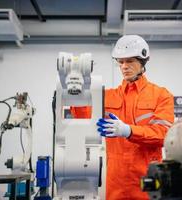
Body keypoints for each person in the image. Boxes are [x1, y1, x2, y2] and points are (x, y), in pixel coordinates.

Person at [72, 35, 174, 200]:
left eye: (130, 61)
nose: (124, 66)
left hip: (148, 183)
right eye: (121, 62)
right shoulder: (107, 97)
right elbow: (83, 116)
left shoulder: (161, 95)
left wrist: (128, 131)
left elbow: (163, 135)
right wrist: (77, 89)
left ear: (142, 62)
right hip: (116, 185)